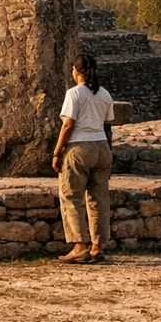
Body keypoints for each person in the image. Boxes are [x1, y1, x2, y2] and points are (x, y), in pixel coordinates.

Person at [51, 52, 115, 264]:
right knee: (99, 198)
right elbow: (107, 124)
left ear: (77, 72)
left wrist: (57, 151)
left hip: (80, 147)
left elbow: (68, 124)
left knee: (71, 196)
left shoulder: (74, 93)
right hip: (102, 148)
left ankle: (79, 245)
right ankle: (98, 245)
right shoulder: (104, 94)